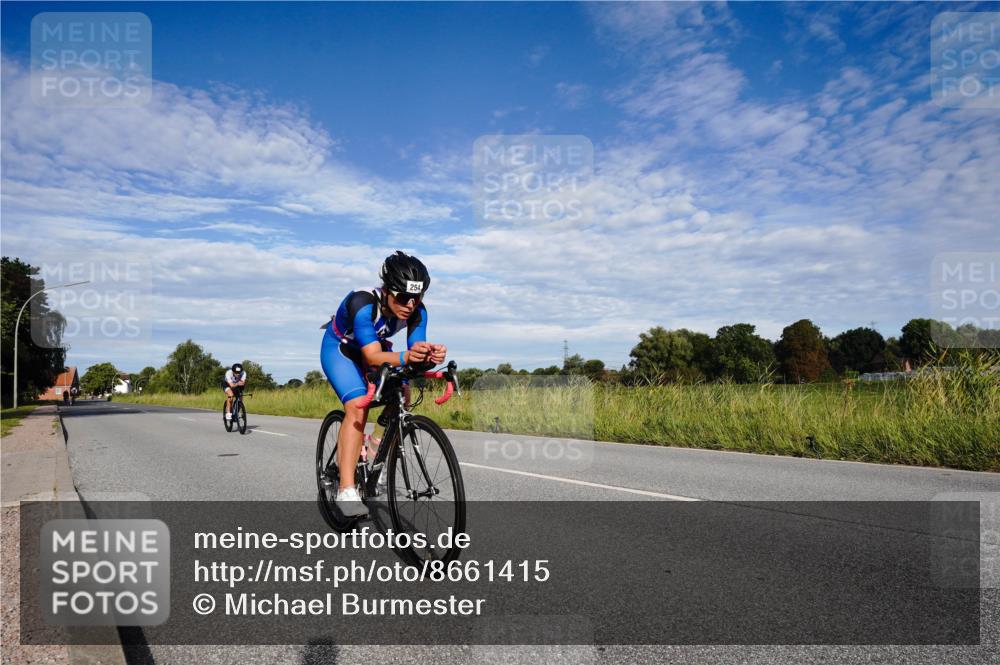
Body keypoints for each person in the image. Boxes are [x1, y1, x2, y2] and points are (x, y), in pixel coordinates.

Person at [320, 251, 446, 517]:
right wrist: (407, 356)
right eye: (403, 297)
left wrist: (428, 357)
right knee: (358, 406)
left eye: (417, 298)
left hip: (376, 348)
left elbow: (413, 352)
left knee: (403, 393)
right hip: (341, 350)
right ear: (387, 290)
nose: (410, 305)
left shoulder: (417, 311)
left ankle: (374, 451)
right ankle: (346, 489)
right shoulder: (363, 303)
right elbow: (371, 356)